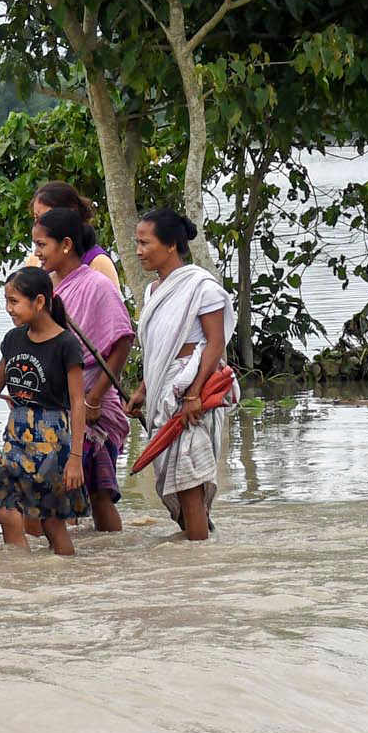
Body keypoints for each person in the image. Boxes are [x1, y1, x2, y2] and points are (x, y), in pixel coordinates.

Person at [0, 267, 89, 555]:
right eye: (6, 301)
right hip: (16, 435)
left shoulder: (66, 344)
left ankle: (67, 581)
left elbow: (78, 402)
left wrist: (76, 459)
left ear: (39, 302)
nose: (8, 309)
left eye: (14, 301)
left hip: (53, 438)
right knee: (6, 511)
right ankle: (22, 578)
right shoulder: (13, 339)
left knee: (53, 523)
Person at [132, 208, 236, 541]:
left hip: (192, 392)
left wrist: (193, 394)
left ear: (171, 245)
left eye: (145, 243)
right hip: (163, 390)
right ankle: (201, 541)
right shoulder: (152, 292)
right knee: (175, 481)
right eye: (137, 243)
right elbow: (157, 350)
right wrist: (143, 390)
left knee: (189, 480)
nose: (139, 251)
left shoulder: (202, 287)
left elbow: (215, 344)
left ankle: (198, 563)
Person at [35, 205, 135, 533]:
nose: (37, 253)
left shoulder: (97, 285)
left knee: (98, 490)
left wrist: (93, 398)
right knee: (56, 493)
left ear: (65, 245)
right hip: (55, 401)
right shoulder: (44, 289)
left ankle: (108, 553)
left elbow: (122, 341)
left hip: (93, 401)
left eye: (41, 245)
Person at [27, 181, 122, 289]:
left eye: (47, 216)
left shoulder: (98, 262)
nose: (39, 224)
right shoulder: (34, 261)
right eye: (36, 217)